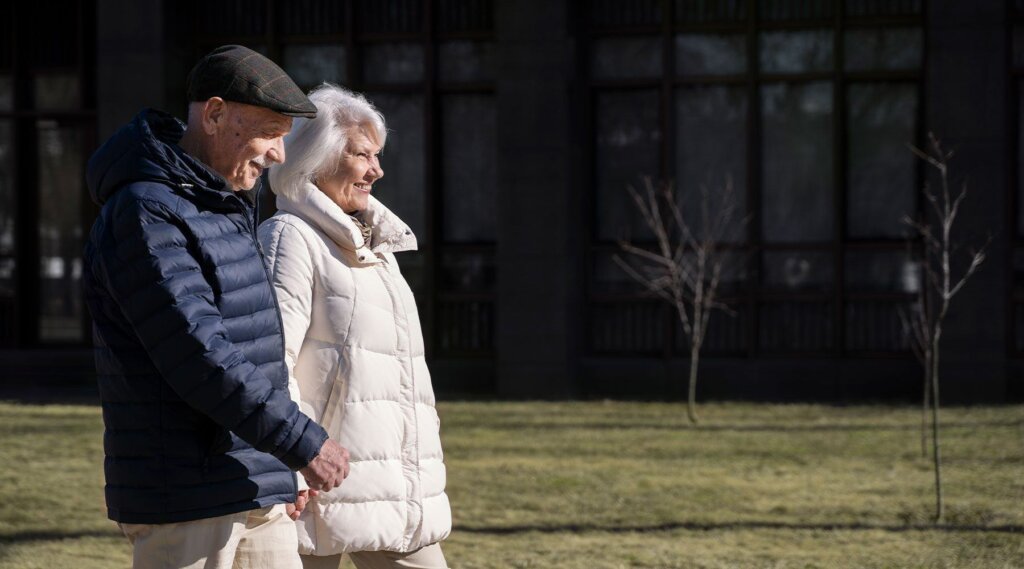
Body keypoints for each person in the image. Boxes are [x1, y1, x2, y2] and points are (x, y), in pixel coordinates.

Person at [82, 45, 351, 569]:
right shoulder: (146, 212)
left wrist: (279, 469)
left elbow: (256, 352)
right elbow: (200, 354)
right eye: (269, 133)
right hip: (186, 494)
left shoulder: (218, 201)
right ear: (214, 114)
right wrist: (300, 443)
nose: (278, 155)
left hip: (251, 481)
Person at [258, 84, 451, 569]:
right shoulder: (289, 238)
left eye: (377, 155)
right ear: (317, 160)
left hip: (392, 491)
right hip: (315, 488)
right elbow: (271, 364)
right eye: (362, 155)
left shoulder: (378, 248)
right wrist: (291, 468)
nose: (376, 170)